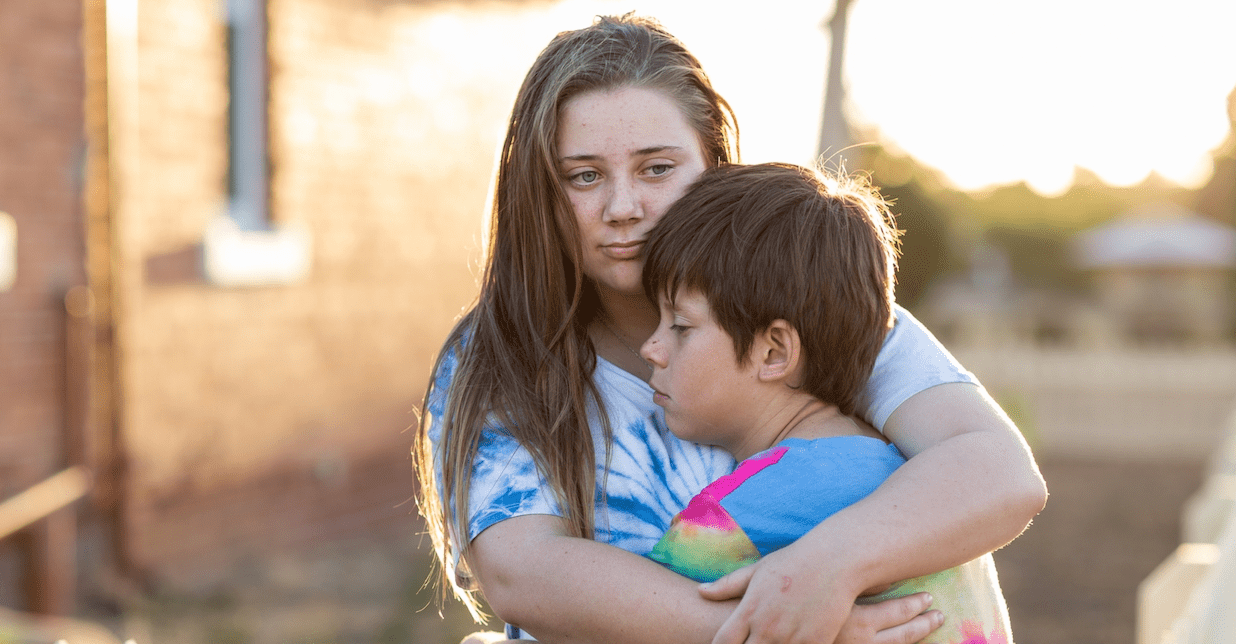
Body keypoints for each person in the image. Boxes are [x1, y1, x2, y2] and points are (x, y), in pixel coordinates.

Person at [413, 13, 1046, 644]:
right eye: (585, 176)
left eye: (657, 168)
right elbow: (526, 574)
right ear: (540, 193)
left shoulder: (809, 307)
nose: (623, 208)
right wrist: (790, 633)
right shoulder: (498, 357)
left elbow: (998, 472)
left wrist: (827, 566)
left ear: (713, 164)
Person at [639, 162, 1009, 644]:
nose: (652, 347)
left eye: (680, 326)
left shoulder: (739, 514)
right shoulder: (924, 484)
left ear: (774, 352)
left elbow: (620, 622)